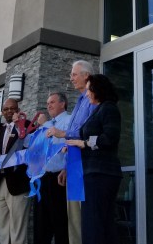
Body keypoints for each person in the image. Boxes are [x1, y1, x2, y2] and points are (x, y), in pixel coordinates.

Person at [66, 74, 122, 244]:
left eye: (90, 89)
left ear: (99, 90)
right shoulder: (97, 110)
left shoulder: (109, 108)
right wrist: (73, 145)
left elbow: (109, 138)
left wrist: (83, 143)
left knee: (95, 223)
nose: (87, 93)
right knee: (96, 222)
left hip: (102, 173)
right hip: (92, 172)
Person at [46, 60, 96, 244]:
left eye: (74, 74)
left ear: (86, 75)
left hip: (87, 167)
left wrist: (63, 133)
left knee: (85, 220)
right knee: (74, 221)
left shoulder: (93, 100)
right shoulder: (80, 101)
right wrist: (67, 167)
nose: (71, 78)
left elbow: (88, 131)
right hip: (74, 166)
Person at [0, 98, 31, 244]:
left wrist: (19, 124)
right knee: (2, 225)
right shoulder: (0, 130)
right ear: (1, 112)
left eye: (12, 108)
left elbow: (29, 146)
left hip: (18, 183)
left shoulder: (26, 125)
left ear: (18, 110)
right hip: (0, 182)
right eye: (6, 109)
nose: (9, 111)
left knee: (18, 228)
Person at [34, 92, 71, 244]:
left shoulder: (70, 121)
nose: (48, 105)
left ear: (63, 104)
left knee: (60, 223)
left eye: (52, 102)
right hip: (42, 178)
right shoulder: (47, 125)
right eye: (48, 103)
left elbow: (72, 142)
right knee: (41, 225)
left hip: (60, 178)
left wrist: (67, 168)